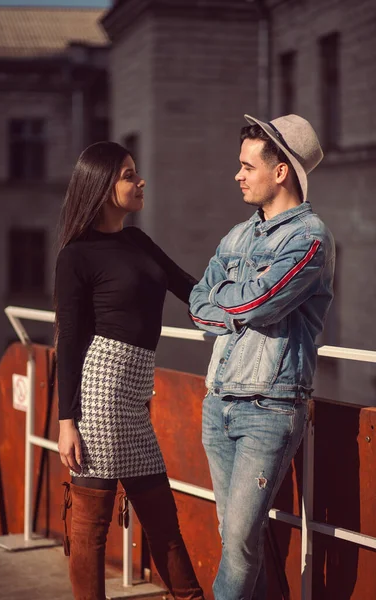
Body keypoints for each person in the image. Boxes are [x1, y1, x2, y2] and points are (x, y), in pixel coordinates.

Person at [189, 114, 335, 600]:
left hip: (270, 409)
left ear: (280, 173)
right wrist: (236, 303)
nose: (238, 175)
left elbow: (258, 302)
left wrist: (229, 301)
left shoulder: (310, 238)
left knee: (241, 542)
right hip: (219, 402)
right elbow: (197, 300)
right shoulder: (237, 235)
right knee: (235, 539)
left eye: (247, 166)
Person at [55, 141, 205, 600]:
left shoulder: (138, 240)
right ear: (101, 186)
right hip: (100, 391)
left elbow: (189, 290)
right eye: (127, 174)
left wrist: (245, 308)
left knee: (162, 518)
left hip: (136, 395)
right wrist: (67, 422)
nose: (139, 181)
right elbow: (71, 340)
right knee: (92, 524)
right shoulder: (76, 256)